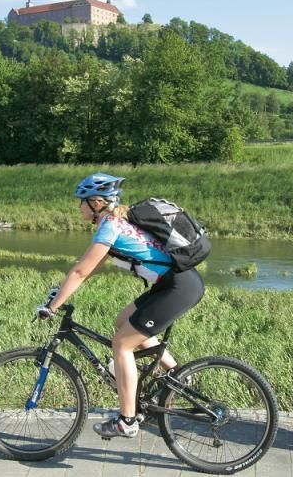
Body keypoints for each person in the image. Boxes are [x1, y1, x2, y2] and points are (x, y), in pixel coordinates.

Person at [37, 173, 205, 439]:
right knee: (123, 321)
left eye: (81, 201)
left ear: (95, 203)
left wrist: (52, 307)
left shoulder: (111, 227)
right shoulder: (115, 223)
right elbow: (88, 269)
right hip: (172, 284)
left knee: (121, 344)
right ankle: (177, 374)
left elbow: (80, 272)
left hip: (178, 287)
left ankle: (127, 421)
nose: (79, 207)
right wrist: (60, 293)